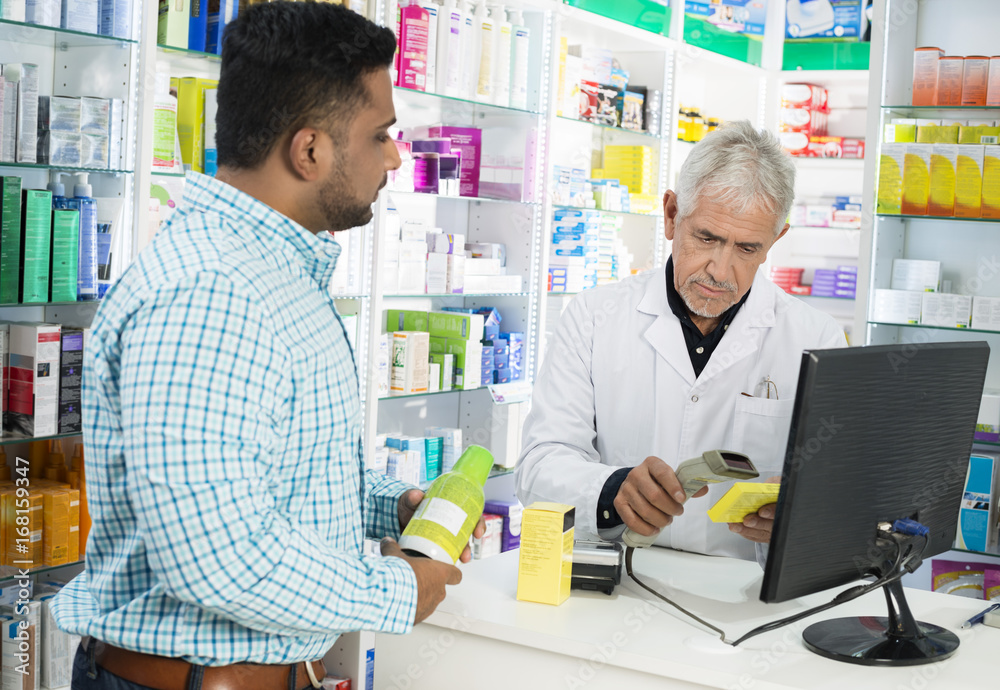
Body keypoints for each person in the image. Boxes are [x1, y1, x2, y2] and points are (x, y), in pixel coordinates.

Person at [52, 4, 479, 689]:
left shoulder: (275, 273)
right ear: (309, 150)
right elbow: (215, 553)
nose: (397, 156)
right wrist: (400, 589)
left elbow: (272, 473)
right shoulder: (211, 292)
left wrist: (387, 506)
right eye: (382, 135)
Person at [516, 121, 845, 562]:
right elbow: (539, 467)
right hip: (619, 580)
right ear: (671, 215)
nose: (720, 270)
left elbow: (840, 488)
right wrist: (612, 489)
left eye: (747, 248)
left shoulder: (815, 338)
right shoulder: (594, 316)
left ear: (775, 241)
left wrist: (801, 516)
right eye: (706, 238)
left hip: (743, 596)